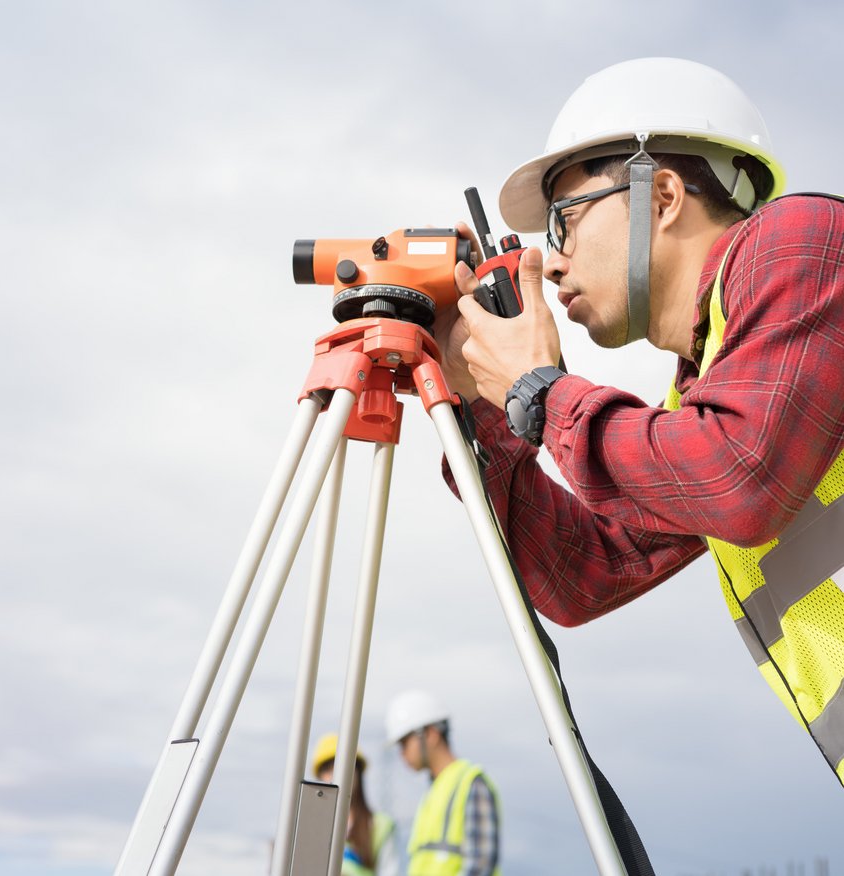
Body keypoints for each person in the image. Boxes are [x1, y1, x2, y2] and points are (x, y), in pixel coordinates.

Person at [434, 57, 844, 783]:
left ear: (660, 195)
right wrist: (481, 402)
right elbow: (586, 572)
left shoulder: (807, 240)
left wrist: (540, 391)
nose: (550, 263)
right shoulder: (706, 402)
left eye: (564, 220)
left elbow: (738, 478)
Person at [385, 690, 499, 875]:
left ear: (430, 734)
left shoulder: (471, 783)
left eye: (405, 742)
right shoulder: (434, 792)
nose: (402, 753)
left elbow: (480, 867)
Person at [311, 733, 399, 876]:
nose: (336, 775)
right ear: (319, 777)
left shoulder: (380, 826)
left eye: (344, 767)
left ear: (358, 772)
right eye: (328, 769)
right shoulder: (311, 826)